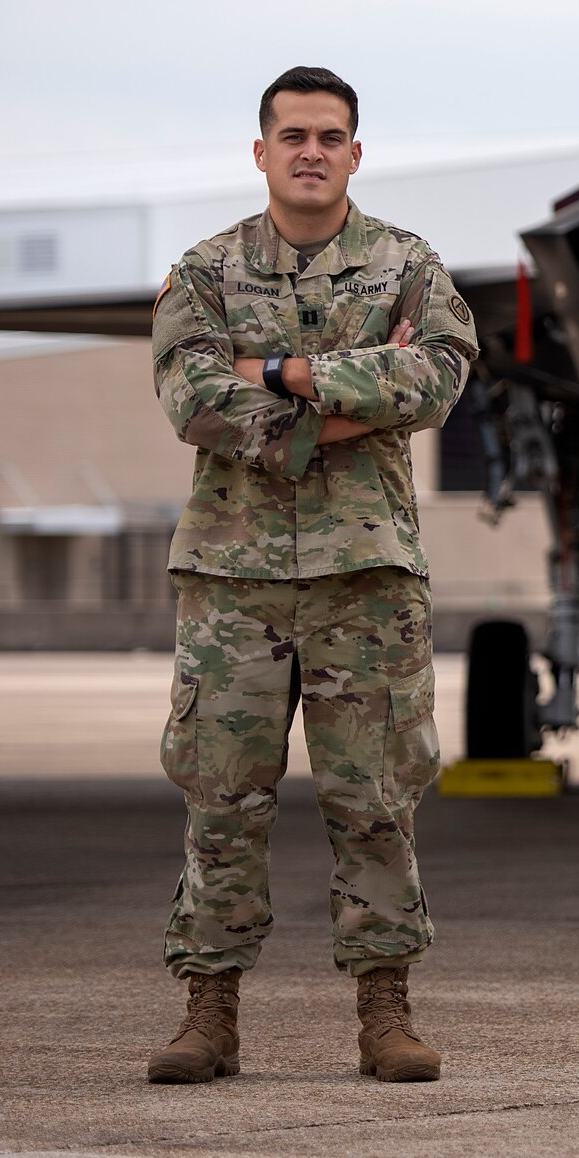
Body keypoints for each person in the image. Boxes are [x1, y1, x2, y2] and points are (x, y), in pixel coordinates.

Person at [145, 67, 478, 1084]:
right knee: (220, 799)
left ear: (354, 153)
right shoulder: (202, 272)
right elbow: (191, 400)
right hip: (232, 579)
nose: (311, 151)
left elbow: (441, 375)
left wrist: (282, 375)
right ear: (261, 152)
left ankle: (386, 1014)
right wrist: (352, 399)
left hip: (364, 578)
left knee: (375, 796)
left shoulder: (405, 265)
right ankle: (209, 1012)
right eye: (292, 135)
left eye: (330, 136)